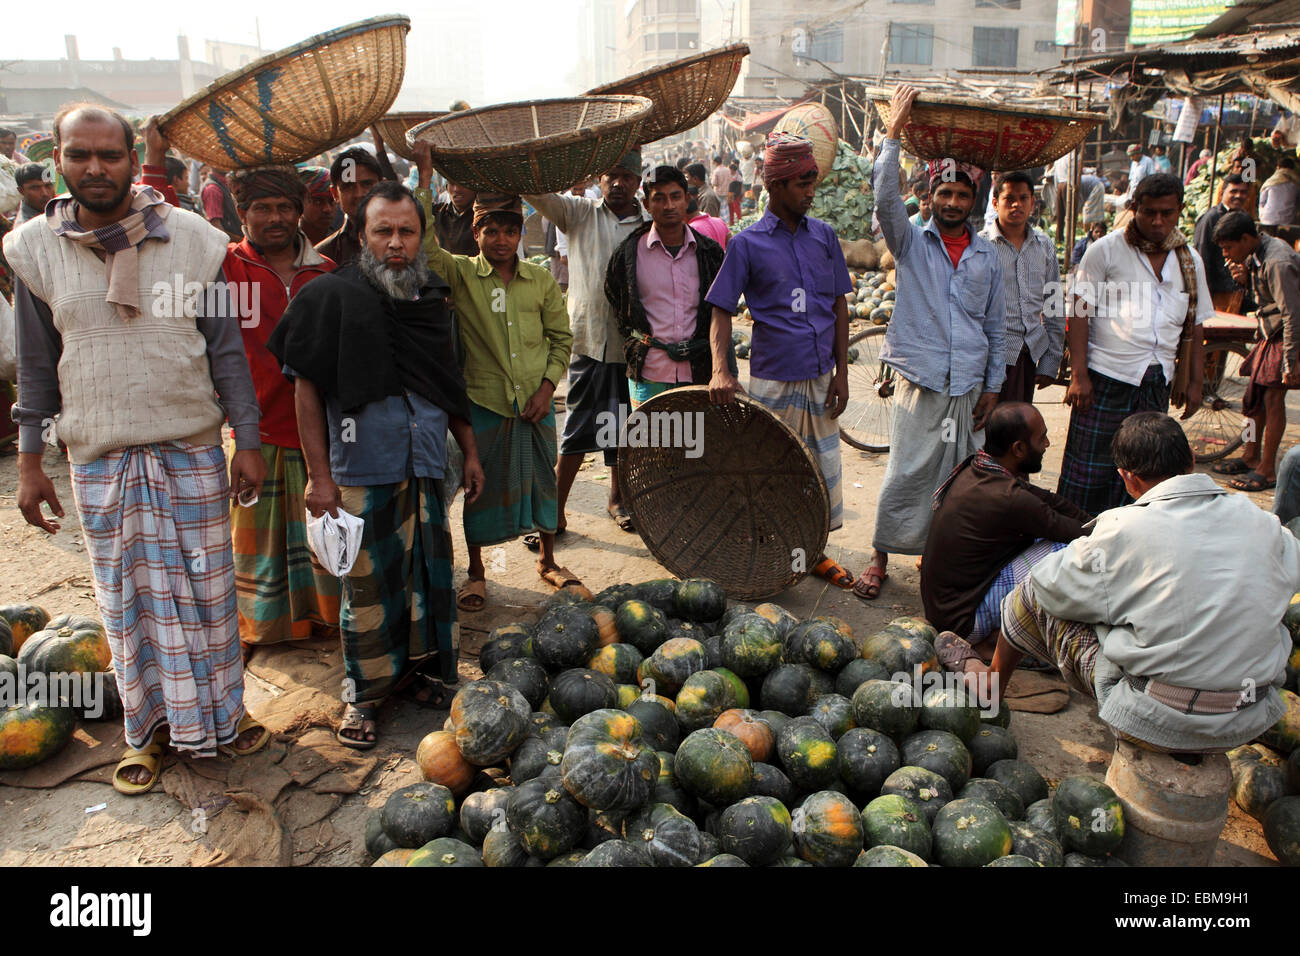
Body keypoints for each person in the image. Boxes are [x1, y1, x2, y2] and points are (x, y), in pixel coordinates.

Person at [4, 104, 269, 792]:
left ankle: (220, 718)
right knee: (126, 607)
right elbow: (37, 368)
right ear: (58, 160)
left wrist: (248, 438)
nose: (96, 168)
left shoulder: (192, 240)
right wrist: (30, 462)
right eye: (80, 155)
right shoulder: (35, 249)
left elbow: (227, 354)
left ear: (131, 159)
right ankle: (148, 733)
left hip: (190, 450)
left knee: (210, 598)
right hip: (99, 458)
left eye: (110, 155)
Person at [268, 181, 485, 747]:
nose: (396, 243)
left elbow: (448, 382)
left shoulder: (432, 298)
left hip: (426, 463)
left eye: (406, 231)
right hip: (361, 465)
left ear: (420, 236)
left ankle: (418, 674)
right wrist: (320, 477)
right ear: (361, 235)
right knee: (367, 585)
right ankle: (363, 696)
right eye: (383, 231)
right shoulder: (329, 297)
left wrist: (471, 451)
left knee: (427, 575)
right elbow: (306, 391)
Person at [941, 413, 1296, 755]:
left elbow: (1050, 586)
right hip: (1251, 715)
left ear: (1128, 479)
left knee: (1032, 591)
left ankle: (992, 685)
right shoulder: (1261, 521)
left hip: (1154, 717)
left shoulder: (1123, 528)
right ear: (1190, 459)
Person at [853, 84, 1006, 601]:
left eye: (963, 195)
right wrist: (893, 134)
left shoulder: (988, 258)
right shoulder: (912, 244)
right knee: (906, 472)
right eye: (945, 194)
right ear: (932, 198)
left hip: (967, 384)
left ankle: (932, 557)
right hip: (920, 380)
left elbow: (998, 328)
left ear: (971, 202)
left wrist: (993, 386)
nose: (954, 202)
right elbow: (883, 198)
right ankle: (878, 556)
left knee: (958, 477)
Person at [415, 146, 576, 609]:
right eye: (491, 230)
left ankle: (547, 559)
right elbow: (425, 245)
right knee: (479, 488)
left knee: (544, 481)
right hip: (484, 402)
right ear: (476, 231)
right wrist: (425, 180)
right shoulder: (462, 274)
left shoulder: (540, 280)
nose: (501, 239)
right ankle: (478, 571)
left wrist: (548, 388)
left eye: (509, 230)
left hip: (535, 403)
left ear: (520, 233)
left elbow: (560, 339)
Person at [706, 132, 857, 590]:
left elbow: (839, 305)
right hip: (774, 380)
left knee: (819, 469)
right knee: (772, 473)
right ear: (774, 186)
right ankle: (768, 554)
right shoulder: (747, 244)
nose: (810, 191)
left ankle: (814, 553)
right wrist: (720, 369)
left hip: (820, 377)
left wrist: (843, 373)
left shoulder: (824, 237)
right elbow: (720, 310)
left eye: (812, 181)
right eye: (800, 183)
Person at [218, 165, 342, 650]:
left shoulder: (326, 274)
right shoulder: (226, 268)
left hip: (320, 436)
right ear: (242, 214)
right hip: (257, 434)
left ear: (300, 212)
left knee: (321, 541)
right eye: (262, 209)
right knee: (262, 546)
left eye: (285, 208)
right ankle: (264, 628)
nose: (275, 218)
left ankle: (325, 621)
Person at [1058, 173, 1210, 515]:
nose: (1158, 221)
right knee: (1089, 473)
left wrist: (1196, 382)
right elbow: (1079, 312)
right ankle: (1075, 545)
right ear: (1133, 208)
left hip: (1157, 380)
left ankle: (1132, 546)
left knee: (1149, 475)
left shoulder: (1190, 260)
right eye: (1149, 212)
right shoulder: (1106, 251)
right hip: (1105, 377)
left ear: (1179, 211)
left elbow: (1196, 324)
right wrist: (1078, 374)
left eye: (1167, 213)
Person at [523, 152, 651, 540]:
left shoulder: (649, 223)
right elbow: (537, 194)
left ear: (638, 180)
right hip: (589, 341)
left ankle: (617, 499)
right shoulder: (579, 213)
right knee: (578, 428)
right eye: (612, 174)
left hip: (633, 345)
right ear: (599, 175)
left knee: (625, 426)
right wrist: (560, 159)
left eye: (627, 176)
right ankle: (554, 513)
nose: (618, 183)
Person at [921, 402, 1090, 655]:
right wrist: (1114, 531)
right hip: (963, 622)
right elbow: (1073, 532)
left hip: (945, 608)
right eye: (1041, 438)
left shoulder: (980, 467)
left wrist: (1099, 520)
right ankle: (995, 643)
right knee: (1071, 551)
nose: (1047, 445)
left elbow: (1051, 502)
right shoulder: (1009, 498)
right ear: (1019, 449)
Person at [607, 165, 726, 409]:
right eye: (659, 198)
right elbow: (616, 299)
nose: (668, 206)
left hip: (698, 372)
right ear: (646, 205)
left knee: (696, 443)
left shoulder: (709, 253)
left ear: (687, 200)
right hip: (649, 372)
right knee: (651, 445)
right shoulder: (628, 254)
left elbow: (720, 312)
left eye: (675, 197)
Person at [1212, 211, 1300, 493]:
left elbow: (1292, 315)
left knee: (1273, 399)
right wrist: (1242, 279)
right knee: (1254, 398)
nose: (1226, 253)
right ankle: (1251, 454)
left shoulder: (1278, 261)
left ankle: (1268, 469)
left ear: (1247, 239)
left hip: (1285, 335)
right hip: (1269, 331)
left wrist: (1291, 362)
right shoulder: (1254, 255)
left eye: (1229, 247)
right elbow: (1262, 298)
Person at [981, 170, 1064, 405]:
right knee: (984, 429)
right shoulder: (981, 247)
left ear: (1032, 203)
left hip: (1026, 356)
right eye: (1009, 199)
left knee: (1017, 427)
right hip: (989, 357)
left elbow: (1053, 306)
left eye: (1023, 198)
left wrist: (1050, 361)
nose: (1016, 204)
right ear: (996, 203)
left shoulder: (1044, 246)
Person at [316, 146, 384, 267]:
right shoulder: (325, 255)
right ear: (335, 194)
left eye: (367, 184)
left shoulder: (408, 236)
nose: (359, 194)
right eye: (348, 186)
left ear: (383, 186)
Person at [1193, 172, 1251, 313]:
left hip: (1236, 290)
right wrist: (1204, 292)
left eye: (1243, 192)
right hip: (1217, 291)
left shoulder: (1244, 216)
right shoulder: (1211, 218)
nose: (1238, 195)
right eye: (1234, 191)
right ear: (1222, 193)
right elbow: (1202, 254)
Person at [428, 181, 479, 257]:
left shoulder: (483, 217)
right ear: (446, 188)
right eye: (452, 184)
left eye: (463, 183)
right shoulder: (438, 212)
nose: (457, 189)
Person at [297, 166, 337, 246]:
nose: (327, 209)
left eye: (332, 201)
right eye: (318, 202)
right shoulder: (287, 244)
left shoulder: (343, 242)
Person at [1259, 155, 1300, 227]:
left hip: (1266, 220)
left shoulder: (1269, 182)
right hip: (1287, 222)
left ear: (1278, 167)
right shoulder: (1296, 184)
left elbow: (1262, 203)